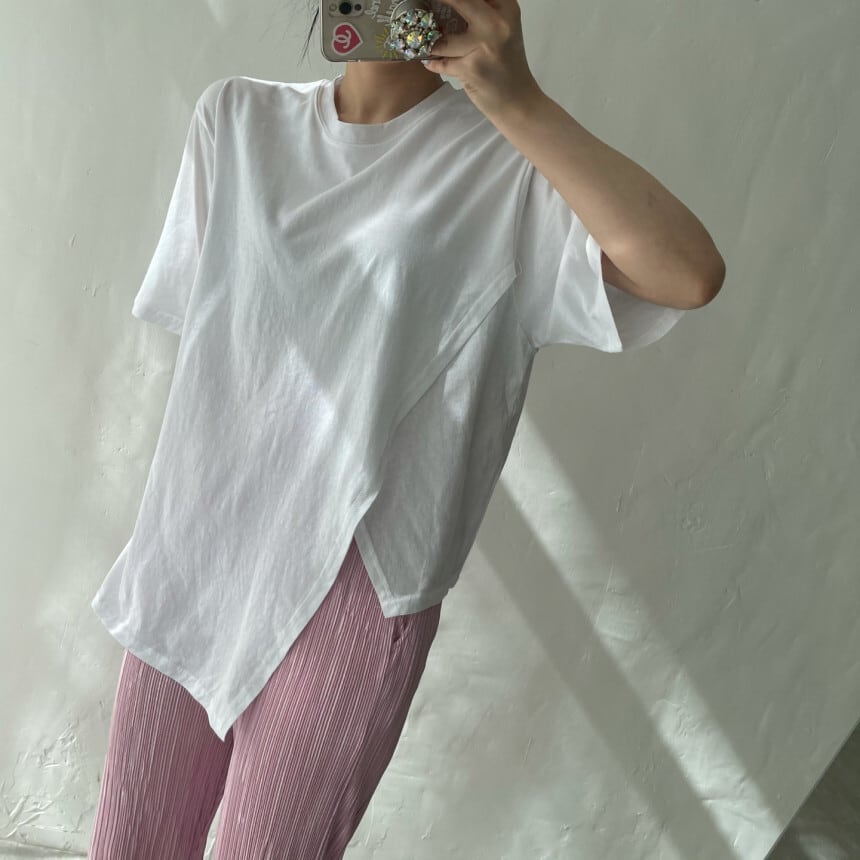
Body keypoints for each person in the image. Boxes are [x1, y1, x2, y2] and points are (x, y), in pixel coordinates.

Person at [88, 5, 723, 857]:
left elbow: (687, 274)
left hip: (362, 579)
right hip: (199, 540)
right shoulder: (237, 118)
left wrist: (519, 100)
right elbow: (222, 339)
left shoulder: (514, 170)